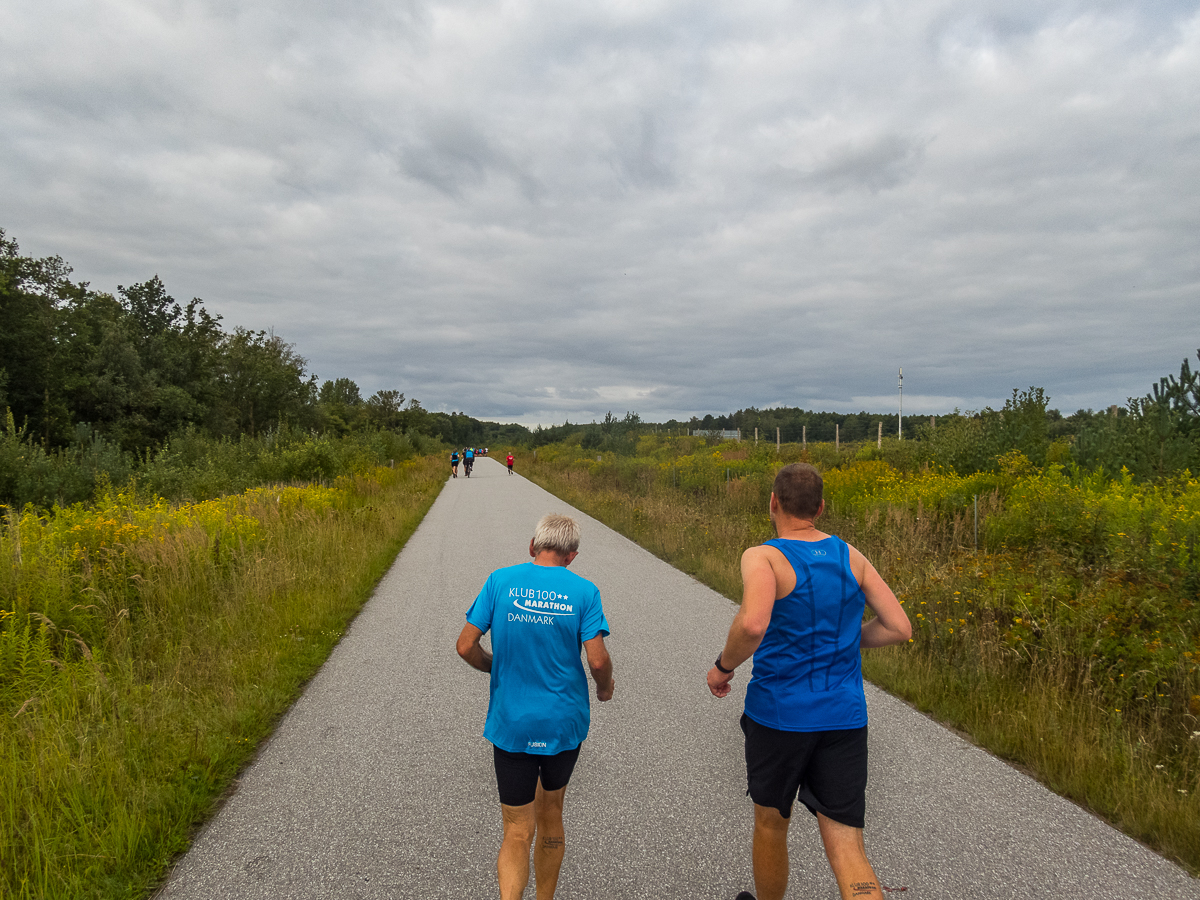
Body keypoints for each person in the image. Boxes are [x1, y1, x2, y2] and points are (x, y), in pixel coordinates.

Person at [706, 463, 911, 900]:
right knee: (847, 845)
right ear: (820, 507)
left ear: (773, 503)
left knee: (771, 822)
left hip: (779, 717)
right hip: (844, 719)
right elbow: (898, 627)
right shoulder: (851, 556)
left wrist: (723, 667)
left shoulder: (763, 556)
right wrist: (845, 639)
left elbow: (754, 624)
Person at [457, 514, 615, 900]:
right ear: (572, 556)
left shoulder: (500, 581)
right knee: (551, 815)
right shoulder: (584, 591)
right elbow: (596, 660)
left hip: (512, 722)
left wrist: (497, 665)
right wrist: (606, 687)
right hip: (562, 723)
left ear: (532, 546)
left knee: (516, 829)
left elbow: (465, 646)